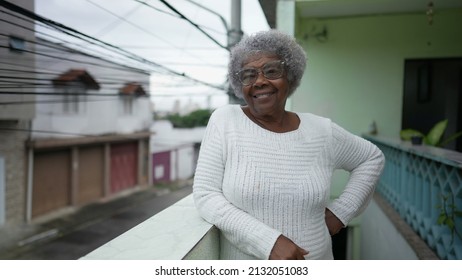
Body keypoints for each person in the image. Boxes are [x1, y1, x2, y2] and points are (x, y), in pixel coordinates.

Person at [192, 29, 385, 260]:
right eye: (249, 75)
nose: (260, 81)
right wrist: (268, 242)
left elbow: (371, 158)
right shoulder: (225, 121)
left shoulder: (321, 131)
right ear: (239, 83)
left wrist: (341, 213)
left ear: (290, 76)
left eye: (271, 71)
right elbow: (206, 194)